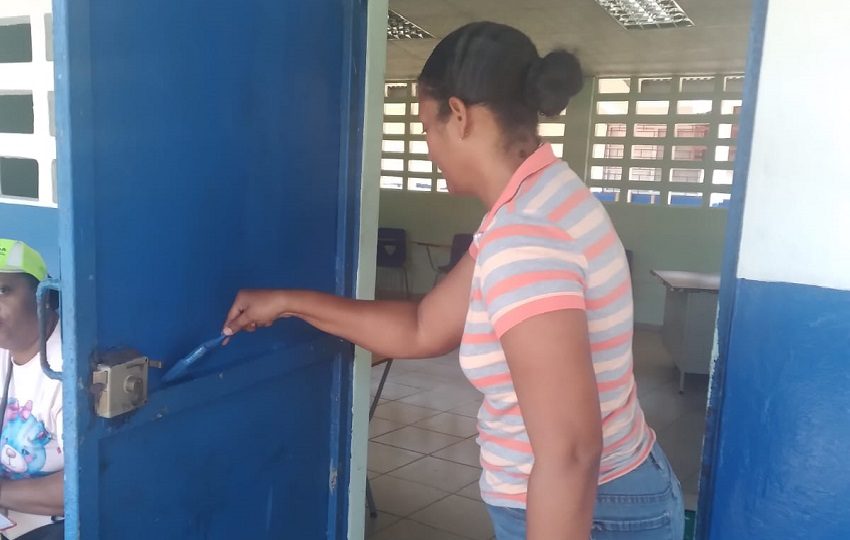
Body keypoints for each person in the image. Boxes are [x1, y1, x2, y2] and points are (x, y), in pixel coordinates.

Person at [223, 21, 683, 540]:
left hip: (591, 511)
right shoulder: (537, 197)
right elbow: (424, 326)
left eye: (426, 127)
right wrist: (289, 302)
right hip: (611, 492)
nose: (428, 146)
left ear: (459, 116)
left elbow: (571, 454)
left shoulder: (524, 237)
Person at [0, 240, 63, 540]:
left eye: (3, 291)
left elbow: (85, 482)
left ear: (45, 298)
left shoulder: (69, 367)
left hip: (55, 524)